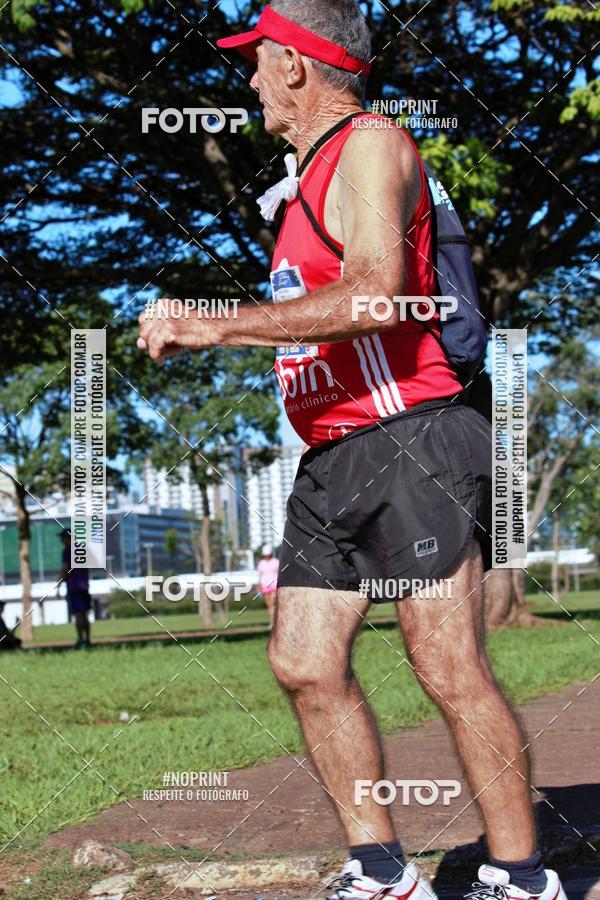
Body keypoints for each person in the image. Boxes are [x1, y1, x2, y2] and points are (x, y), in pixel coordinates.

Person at [137, 3, 566, 898]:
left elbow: (375, 295)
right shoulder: (298, 188)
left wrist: (215, 325)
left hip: (413, 439)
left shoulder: (370, 145)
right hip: (332, 458)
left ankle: (522, 875)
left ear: (296, 65)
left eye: (258, 61)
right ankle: (381, 870)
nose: (251, 80)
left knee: (447, 666)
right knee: (303, 661)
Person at [58, 529, 92, 647]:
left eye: (62, 537)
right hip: (84, 586)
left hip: (73, 587)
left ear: (67, 538)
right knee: (85, 614)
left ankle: (81, 639)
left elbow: (65, 568)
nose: (61, 540)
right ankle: (87, 639)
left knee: (77, 614)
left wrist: (59, 585)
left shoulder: (67, 550)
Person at [257, 544, 279, 622]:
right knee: (269, 605)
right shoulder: (261, 563)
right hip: (264, 586)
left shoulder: (276, 561)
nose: (266, 556)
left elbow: (279, 573)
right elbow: (260, 575)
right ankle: (272, 621)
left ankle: (276, 621)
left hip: (274, 585)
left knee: (273, 603)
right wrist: (259, 586)